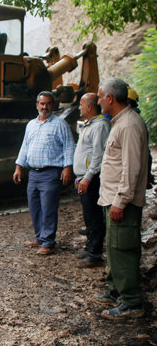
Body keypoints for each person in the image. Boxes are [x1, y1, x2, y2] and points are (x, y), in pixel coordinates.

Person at [95, 78, 150, 319]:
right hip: (113, 199)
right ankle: (117, 290)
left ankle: (131, 303)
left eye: (99, 97)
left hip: (121, 202)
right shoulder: (121, 122)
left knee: (123, 249)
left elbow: (132, 168)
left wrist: (121, 200)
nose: (98, 101)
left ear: (110, 99)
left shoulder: (128, 125)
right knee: (114, 248)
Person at [13, 91, 75, 255]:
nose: (45, 107)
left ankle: (48, 242)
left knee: (48, 208)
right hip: (33, 174)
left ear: (53, 106)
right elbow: (24, 147)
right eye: (42, 103)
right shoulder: (31, 125)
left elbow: (69, 146)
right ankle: (40, 237)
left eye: (48, 104)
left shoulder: (60, 124)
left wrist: (68, 167)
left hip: (51, 173)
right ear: (37, 105)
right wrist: (19, 167)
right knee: (35, 208)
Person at [72, 93, 110, 267]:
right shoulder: (90, 125)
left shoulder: (100, 126)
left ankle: (95, 254)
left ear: (89, 106)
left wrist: (87, 177)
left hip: (92, 178)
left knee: (94, 215)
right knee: (88, 214)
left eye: (81, 104)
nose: (79, 107)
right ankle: (89, 247)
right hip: (85, 177)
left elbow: (98, 156)